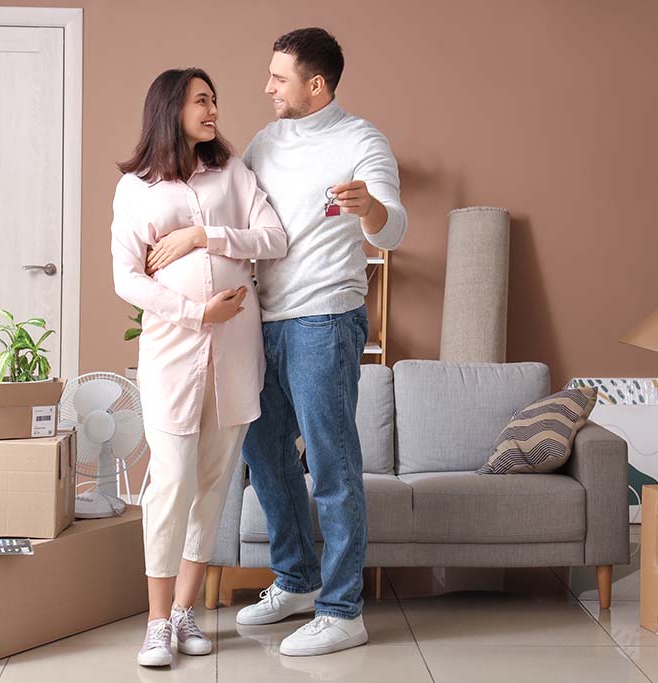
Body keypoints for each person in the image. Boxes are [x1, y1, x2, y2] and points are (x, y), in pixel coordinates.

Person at [236, 27, 407, 657]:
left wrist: (369, 211)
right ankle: (299, 580)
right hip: (262, 320)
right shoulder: (264, 142)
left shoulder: (362, 141)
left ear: (317, 84)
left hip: (325, 321)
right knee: (265, 454)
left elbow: (394, 231)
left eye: (279, 78)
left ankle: (342, 610)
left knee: (332, 465)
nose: (267, 87)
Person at [110, 67, 287, 668]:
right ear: (170, 108)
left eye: (214, 99)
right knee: (172, 482)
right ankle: (156, 622)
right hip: (172, 353)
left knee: (212, 486)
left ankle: (185, 612)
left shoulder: (232, 173)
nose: (213, 110)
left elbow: (273, 239)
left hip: (235, 354)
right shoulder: (137, 186)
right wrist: (196, 312)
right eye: (201, 101)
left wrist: (200, 237)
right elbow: (126, 277)